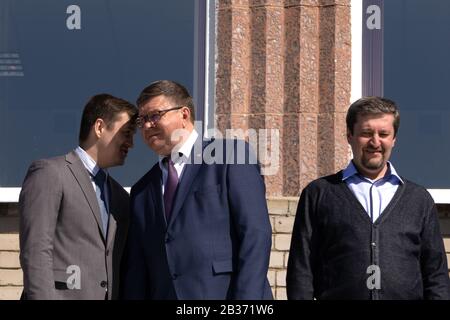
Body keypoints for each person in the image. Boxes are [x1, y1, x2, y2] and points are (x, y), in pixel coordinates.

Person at [286, 96, 450, 300]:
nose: (375, 142)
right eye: (366, 133)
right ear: (349, 135)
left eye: (383, 134)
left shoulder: (419, 199)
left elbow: (436, 275)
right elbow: (301, 271)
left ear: (394, 139)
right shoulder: (319, 193)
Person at [122, 80, 272, 299]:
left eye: (154, 116)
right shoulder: (142, 191)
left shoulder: (230, 156)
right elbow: (138, 269)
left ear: (184, 115)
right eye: (141, 120)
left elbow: (256, 234)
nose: (146, 126)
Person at [19, 94, 137, 299]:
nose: (131, 143)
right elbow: (36, 252)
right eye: (126, 133)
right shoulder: (50, 173)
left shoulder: (120, 197)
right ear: (100, 128)